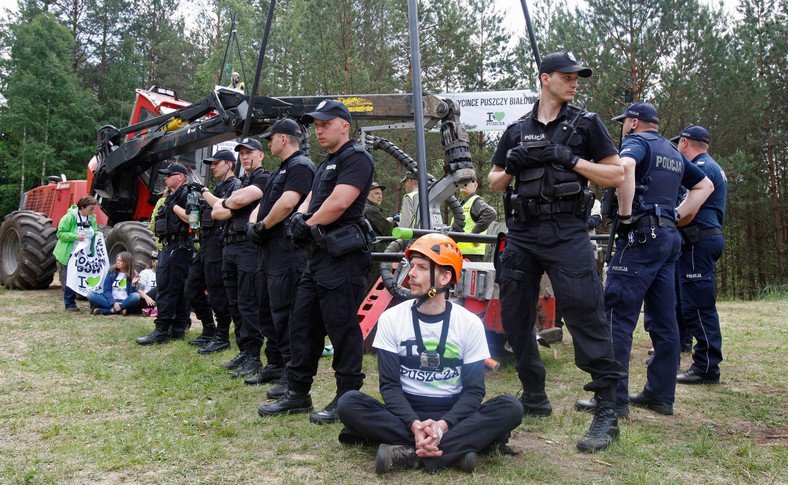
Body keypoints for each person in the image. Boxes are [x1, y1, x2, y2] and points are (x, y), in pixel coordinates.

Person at [488, 50, 628, 452]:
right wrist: (510, 165)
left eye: (577, 77)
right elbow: (495, 182)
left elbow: (616, 174)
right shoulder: (516, 129)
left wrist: (571, 158)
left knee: (586, 315)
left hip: (567, 232)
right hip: (522, 233)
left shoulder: (587, 124)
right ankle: (534, 394)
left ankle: (606, 410)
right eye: (567, 76)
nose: (574, 81)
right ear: (545, 78)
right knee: (514, 318)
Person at [336, 234, 523, 474]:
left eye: (422, 268)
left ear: (445, 277)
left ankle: (411, 455)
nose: (411, 274)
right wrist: (415, 424)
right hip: (405, 411)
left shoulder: (468, 323)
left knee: (511, 407)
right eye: (412, 266)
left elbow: (474, 390)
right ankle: (454, 451)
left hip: (452, 412)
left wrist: (443, 425)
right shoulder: (392, 318)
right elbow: (390, 387)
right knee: (349, 402)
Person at [583, 103, 712, 418]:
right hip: (669, 240)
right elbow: (704, 185)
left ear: (634, 122)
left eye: (625, 122)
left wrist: (626, 215)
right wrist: (676, 215)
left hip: (640, 238)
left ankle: (614, 399)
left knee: (616, 317)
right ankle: (660, 396)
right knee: (664, 321)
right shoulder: (672, 151)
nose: (623, 127)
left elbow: (624, 169)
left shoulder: (636, 142)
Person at [258, 100, 373, 424]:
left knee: (342, 330)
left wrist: (305, 223)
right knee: (302, 325)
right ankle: (298, 393)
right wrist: (299, 216)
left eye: (325, 124)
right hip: (318, 257)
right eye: (316, 125)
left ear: (345, 126)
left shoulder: (356, 158)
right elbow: (313, 197)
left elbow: (339, 203)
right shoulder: (327, 162)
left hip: (341, 257)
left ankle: (347, 399)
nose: (319, 129)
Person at [244, 119, 315, 389]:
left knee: (286, 312)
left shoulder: (301, 166)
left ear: (283, 139)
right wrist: (254, 223)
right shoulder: (281, 168)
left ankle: (290, 371)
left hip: (287, 250)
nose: (268, 142)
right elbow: (265, 202)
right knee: (267, 308)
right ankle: (274, 363)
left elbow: (288, 203)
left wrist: (262, 225)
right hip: (269, 248)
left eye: (271, 138)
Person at [671, 125, 727, 385]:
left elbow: (688, 210)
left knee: (699, 307)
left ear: (684, 143)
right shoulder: (712, 165)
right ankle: (704, 362)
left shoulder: (701, 169)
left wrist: (668, 220)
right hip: (706, 238)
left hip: (698, 240)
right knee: (693, 303)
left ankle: (706, 368)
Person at [211, 138, 270, 378]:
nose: (245, 157)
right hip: (229, 246)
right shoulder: (240, 183)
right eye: (242, 154)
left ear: (261, 155)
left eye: (250, 153)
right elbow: (217, 212)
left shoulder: (264, 178)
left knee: (248, 304)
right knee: (234, 303)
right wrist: (234, 204)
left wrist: (232, 205)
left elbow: (231, 205)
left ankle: (254, 356)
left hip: (248, 248)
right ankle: (244, 350)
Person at [184, 150, 243, 349]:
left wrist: (202, 191)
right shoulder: (218, 187)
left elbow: (222, 207)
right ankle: (208, 328)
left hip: (219, 246)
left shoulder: (235, 185)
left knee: (218, 292)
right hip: (206, 246)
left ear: (229, 164)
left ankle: (222, 336)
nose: (212, 166)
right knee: (192, 287)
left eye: (217, 163)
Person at [136, 162, 193, 345]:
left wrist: (175, 207)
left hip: (178, 247)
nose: (165, 178)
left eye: (170, 175)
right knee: (176, 289)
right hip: (173, 246)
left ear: (181, 177)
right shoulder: (173, 196)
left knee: (167, 288)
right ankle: (177, 329)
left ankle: (161, 331)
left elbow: (194, 220)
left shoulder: (185, 195)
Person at [54, 195, 99, 312]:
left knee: (89, 277)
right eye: (91, 208)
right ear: (82, 207)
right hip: (71, 253)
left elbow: (94, 232)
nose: (92, 211)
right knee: (72, 277)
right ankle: (69, 303)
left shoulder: (91, 219)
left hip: (85, 254)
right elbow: (60, 234)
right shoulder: (69, 217)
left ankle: (93, 302)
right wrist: (75, 237)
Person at [456, 174, 497, 261]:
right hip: (460, 253)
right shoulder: (462, 204)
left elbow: (490, 213)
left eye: (468, 182)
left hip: (471, 255)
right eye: (462, 181)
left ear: (475, 185)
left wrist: (474, 233)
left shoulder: (475, 201)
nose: (464, 184)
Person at [363, 181, 393, 293]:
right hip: (375, 254)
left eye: (381, 193)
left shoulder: (366, 207)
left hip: (368, 252)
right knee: (371, 286)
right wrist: (394, 225)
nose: (380, 196)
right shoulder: (370, 210)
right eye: (376, 193)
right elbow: (388, 231)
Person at [136, 251, 158, 316]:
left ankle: (150, 310)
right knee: (160, 287)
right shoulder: (145, 273)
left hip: (156, 299)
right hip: (145, 299)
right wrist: (147, 297)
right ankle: (155, 309)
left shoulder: (162, 274)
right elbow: (138, 290)